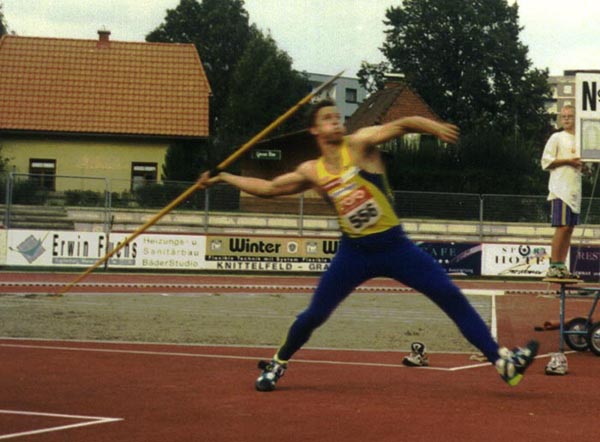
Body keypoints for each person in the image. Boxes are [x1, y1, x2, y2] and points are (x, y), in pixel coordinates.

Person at [199, 99, 538, 391]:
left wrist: (433, 127)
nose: (336, 122)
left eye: (338, 117)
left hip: (396, 247)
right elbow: (269, 188)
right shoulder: (312, 170)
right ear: (314, 130)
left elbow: (402, 124)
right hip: (355, 253)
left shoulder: (360, 144)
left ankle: (503, 363)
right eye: (328, 119)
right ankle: (277, 362)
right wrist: (223, 177)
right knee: (315, 314)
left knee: (450, 296)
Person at [541, 105, 582, 279]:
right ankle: (554, 265)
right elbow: (546, 162)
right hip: (560, 188)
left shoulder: (580, 139)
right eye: (563, 116)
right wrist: (568, 161)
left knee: (569, 229)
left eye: (570, 116)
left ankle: (561, 266)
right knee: (562, 227)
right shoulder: (557, 137)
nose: (566, 119)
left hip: (574, 189)